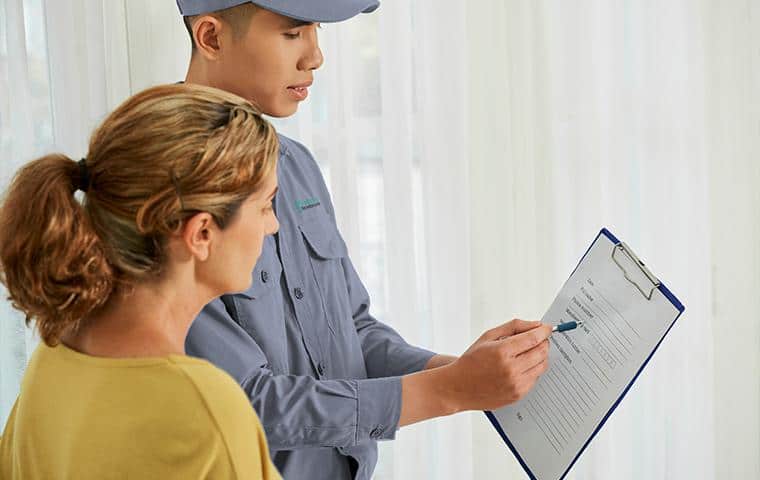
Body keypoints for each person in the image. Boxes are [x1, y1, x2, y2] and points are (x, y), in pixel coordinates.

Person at [178, 1, 554, 478]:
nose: (315, 57)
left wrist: (465, 372)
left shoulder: (295, 166)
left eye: (316, 31)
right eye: (293, 33)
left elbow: (353, 333)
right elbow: (242, 402)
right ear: (211, 37)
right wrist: (451, 390)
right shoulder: (161, 188)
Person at [0, 83, 282, 479]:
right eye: (265, 205)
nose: (273, 226)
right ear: (201, 233)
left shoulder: (52, 359)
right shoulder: (206, 409)